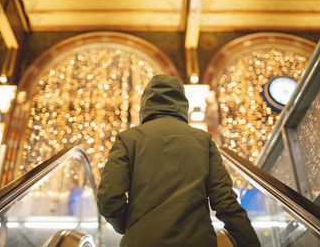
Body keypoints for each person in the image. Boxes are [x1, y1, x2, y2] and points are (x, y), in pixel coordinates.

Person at [97, 74, 260, 247]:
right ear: (182, 102)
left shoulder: (128, 139)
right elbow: (226, 201)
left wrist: (130, 226)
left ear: (146, 103)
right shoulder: (203, 140)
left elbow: (109, 199)